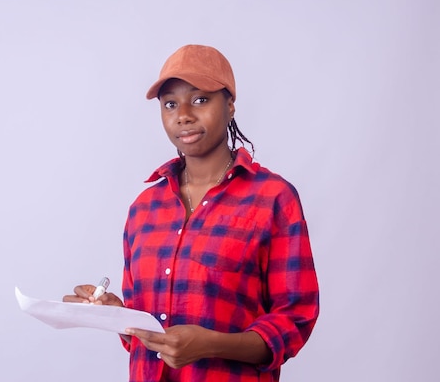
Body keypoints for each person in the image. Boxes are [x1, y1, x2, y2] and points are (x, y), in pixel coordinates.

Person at [63, 44, 319, 382]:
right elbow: (149, 331)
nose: (183, 114)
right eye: (170, 104)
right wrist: (118, 317)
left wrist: (213, 344)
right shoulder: (144, 209)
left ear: (229, 106)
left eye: (200, 99)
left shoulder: (273, 198)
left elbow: (295, 319)